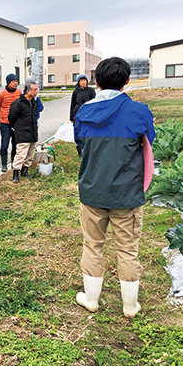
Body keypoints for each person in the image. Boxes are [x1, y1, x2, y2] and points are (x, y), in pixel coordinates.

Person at [73, 57, 155, 318]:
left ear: (96, 82)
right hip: (127, 194)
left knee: (93, 244)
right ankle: (130, 306)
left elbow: (80, 148)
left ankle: (91, 299)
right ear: (127, 81)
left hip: (92, 191)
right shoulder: (140, 112)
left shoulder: (84, 113)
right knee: (128, 248)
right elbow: (148, 144)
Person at [8, 81, 39, 183]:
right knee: (21, 153)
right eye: (34, 90)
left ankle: (25, 170)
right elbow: (11, 117)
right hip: (22, 132)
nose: (36, 92)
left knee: (30, 153)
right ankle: (16, 173)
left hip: (33, 131)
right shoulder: (18, 103)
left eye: (37, 90)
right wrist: (17, 127)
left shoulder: (34, 102)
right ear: (27, 91)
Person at [0, 73, 22, 172]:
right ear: (8, 82)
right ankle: (4, 165)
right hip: (5, 123)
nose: (15, 83)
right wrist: (2, 116)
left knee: (15, 144)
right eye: (13, 81)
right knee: (4, 144)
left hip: (16, 123)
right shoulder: (1, 94)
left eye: (16, 81)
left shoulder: (19, 92)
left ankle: (14, 163)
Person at [70, 74, 96, 156]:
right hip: (77, 115)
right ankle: (80, 151)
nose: (83, 82)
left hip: (88, 116)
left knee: (87, 133)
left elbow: (94, 103)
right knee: (77, 134)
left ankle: (88, 151)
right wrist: (71, 117)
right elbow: (72, 104)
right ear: (78, 82)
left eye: (85, 80)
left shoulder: (91, 91)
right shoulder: (76, 92)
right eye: (81, 80)